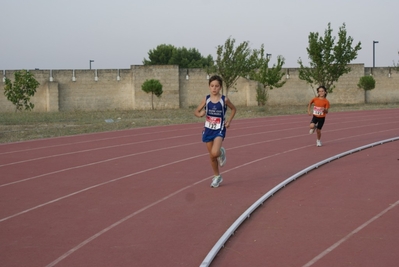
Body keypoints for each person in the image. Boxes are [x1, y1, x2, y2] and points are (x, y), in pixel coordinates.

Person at [194, 75, 236, 188]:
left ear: (220, 87)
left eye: (217, 86)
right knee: (212, 157)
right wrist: (200, 114)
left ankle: (221, 152)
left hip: (219, 129)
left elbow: (234, 109)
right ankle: (217, 176)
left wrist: (229, 121)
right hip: (208, 130)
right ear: (209, 87)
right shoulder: (206, 99)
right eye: (212, 86)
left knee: (214, 153)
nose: (214, 88)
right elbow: (196, 111)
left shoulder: (224, 100)